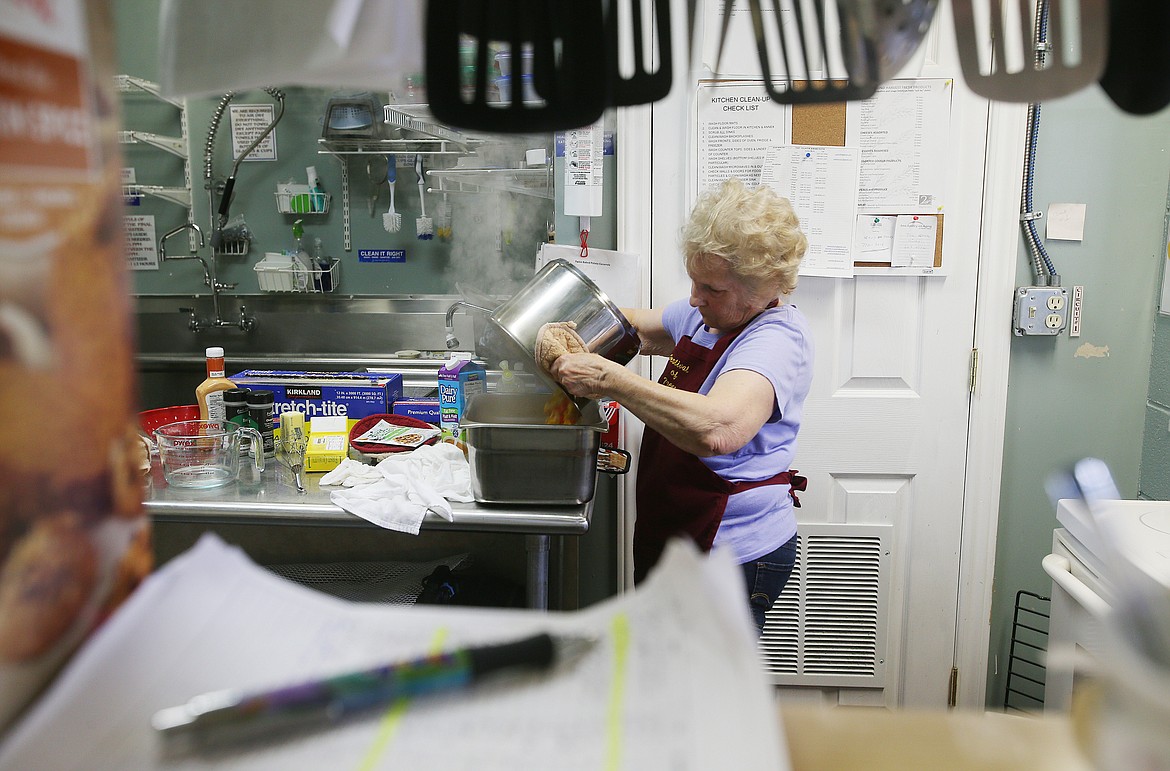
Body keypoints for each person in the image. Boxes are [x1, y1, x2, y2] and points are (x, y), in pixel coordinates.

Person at [548, 178, 813, 635]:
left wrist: (611, 379)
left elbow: (718, 429)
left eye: (711, 288)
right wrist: (561, 328)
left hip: (729, 554)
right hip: (677, 536)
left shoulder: (775, 341)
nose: (694, 298)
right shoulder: (705, 316)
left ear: (763, 286)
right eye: (693, 280)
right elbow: (635, 328)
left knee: (709, 695)